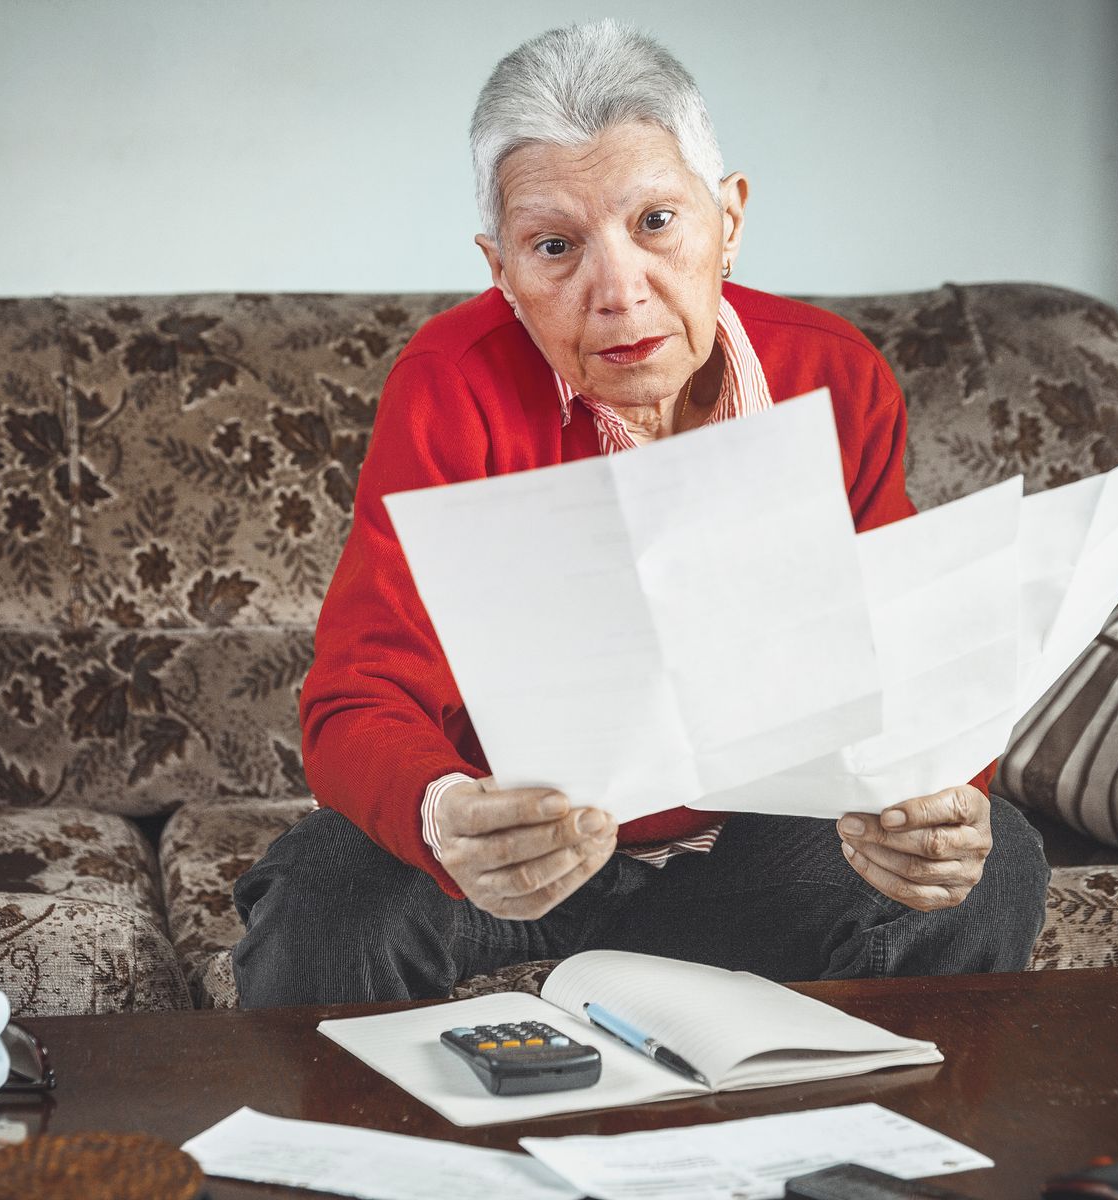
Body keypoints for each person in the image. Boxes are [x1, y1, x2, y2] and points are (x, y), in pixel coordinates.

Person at [232, 19, 1049, 1007]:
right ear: (501, 270)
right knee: (327, 889)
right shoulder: (451, 385)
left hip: (757, 859)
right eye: (555, 247)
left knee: (996, 862)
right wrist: (448, 815)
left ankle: (861, 1112)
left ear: (728, 220)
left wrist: (939, 806)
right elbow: (356, 695)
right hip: (524, 860)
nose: (618, 293)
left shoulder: (835, 374)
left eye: (656, 222)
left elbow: (906, 662)